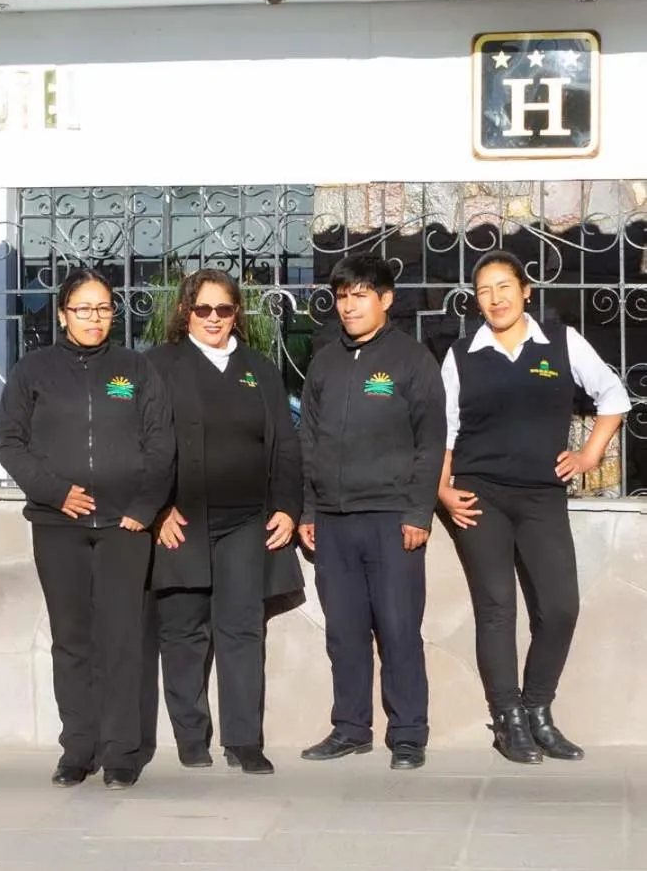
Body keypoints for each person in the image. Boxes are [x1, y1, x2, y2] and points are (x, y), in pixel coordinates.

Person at [437, 250, 629, 764]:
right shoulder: (461, 354)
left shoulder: (561, 342)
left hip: (543, 495)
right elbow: (445, 430)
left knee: (561, 606)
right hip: (481, 496)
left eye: (504, 287)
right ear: (475, 301)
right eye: (484, 291)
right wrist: (441, 488)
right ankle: (508, 718)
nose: (495, 298)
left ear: (526, 291)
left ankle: (538, 707)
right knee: (497, 609)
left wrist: (590, 453)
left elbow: (613, 396)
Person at [0, 268, 175, 790]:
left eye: (103, 308)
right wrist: (55, 492)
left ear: (113, 313)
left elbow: (161, 444)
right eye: (83, 309)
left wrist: (144, 507)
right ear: (62, 314)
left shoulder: (136, 370)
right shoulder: (34, 371)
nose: (94, 318)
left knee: (121, 639)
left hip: (124, 527)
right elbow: (10, 443)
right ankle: (78, 748)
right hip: (59, 526)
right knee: (72, 641)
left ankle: (121, 752)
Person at [138, 269, 304, 775]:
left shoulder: (259, 368)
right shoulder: (159, 366)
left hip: (245, 524)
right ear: (187, 311)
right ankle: (192, 737)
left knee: (241, 629)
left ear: (237, 313)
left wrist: (286, 506)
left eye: (224, 309)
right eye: (204, 309)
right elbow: (141, 443)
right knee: (184, 630)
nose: (214, 319)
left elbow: (285, 443)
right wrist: (157, 510)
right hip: (181, 521)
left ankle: (243, 741)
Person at [297, 255, 446, 771]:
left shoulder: (411, 360)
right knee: (345, 630)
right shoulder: (325, 360)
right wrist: (309, 509)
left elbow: (431, 442)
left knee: (399, 628)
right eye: (342, 296)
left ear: (385, 299)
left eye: (360, 295)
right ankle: (350, 727)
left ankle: (408, 734)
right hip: (333, 521)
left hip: (391, 517)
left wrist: (417, 512)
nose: (349, 305)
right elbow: (309, 438)